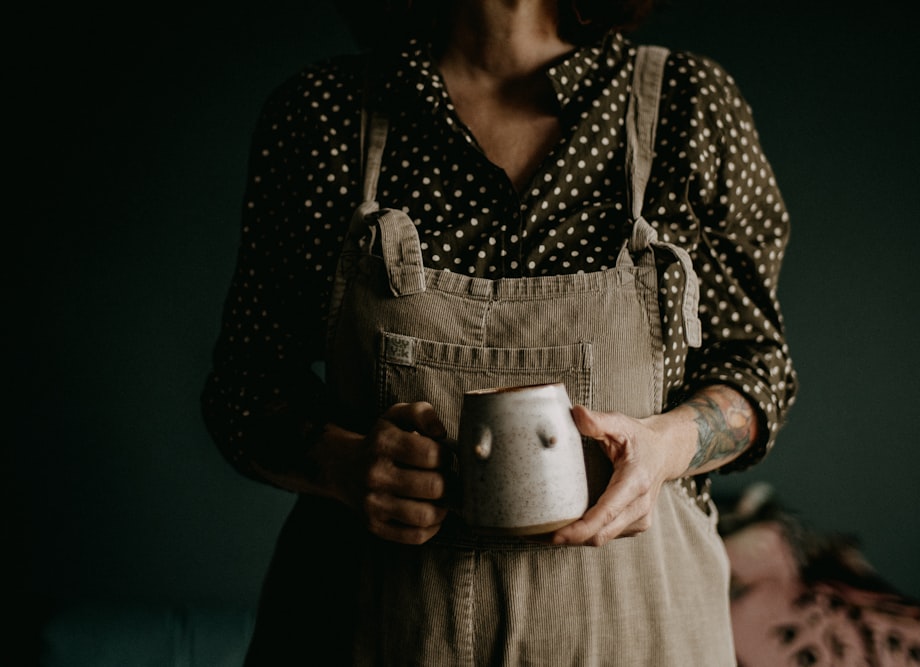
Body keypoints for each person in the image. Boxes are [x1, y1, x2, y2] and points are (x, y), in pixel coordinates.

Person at [201, 0, 797, 663]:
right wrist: (344, 464)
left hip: (636, 635)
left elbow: (757, 370)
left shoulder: (688, 106)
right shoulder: (323, 116)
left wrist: (664, 447)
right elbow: (243, 389)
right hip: (369, 630)